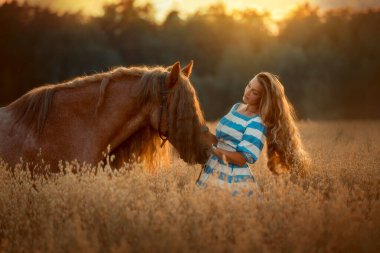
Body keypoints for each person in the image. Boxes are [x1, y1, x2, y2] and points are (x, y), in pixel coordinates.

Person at [196, 72, 310, 195]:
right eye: (249, 85)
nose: (248, 92)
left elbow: (241, 159)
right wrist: (202, 135)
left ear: (263, 99)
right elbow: (223, 142)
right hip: (212, 169)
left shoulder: (257, 122)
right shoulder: (236, 107)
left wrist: (211, 149)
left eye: (254, 92)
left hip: (232, 180)